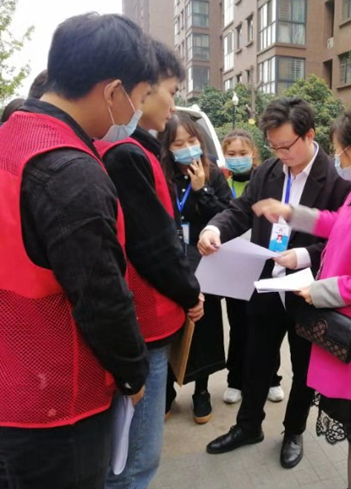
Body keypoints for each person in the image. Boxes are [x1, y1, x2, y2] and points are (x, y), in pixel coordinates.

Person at [0, 13, 158, 489]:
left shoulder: (3, 143)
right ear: (113, 92)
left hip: (8, 384)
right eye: (139, 96)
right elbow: (101, 297)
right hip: (59, 404)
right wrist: (133, 374)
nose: (136, 111)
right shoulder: (71, 171)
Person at [253, 109, 351, 489]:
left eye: (338, 150)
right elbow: (335, 222)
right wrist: (290, 212)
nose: (335, 157)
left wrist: (319, 291)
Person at [200, 98, 351, 469]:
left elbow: (344, 238)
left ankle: (293, 431)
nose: (281, 154)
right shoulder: (268, 171)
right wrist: (214, 229)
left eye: (287, 146)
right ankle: (248, 426)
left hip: (309, 290)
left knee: (304, 367)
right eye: (274, 146)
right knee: (257, 359)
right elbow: (240, 211)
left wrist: (304, 256)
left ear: (310, 135)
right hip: (267, 283)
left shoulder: (337, 179)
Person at [94, 41, 205, 488]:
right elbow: (154, 245)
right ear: (142, 88)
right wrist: (190, 292)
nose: (173, 105)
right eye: (170, 92)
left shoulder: (132, 148)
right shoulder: (126, 153)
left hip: (142, 318)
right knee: (136, 459)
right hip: (146, 321)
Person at [159, 113, 232, 422]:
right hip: (171, 264)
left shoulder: (213, 173)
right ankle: (166, 391)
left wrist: (202, 190)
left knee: (205, 328)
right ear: (167, 147)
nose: (187, 148)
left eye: (192, 141)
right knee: (169, 328)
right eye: (178, 144)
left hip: (205, 264)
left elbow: (228, 215)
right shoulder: (160, 174)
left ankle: (201, 391)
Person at [221, 129, 285, 405]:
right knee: (238, 326)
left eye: (242, 153)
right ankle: (235, 380)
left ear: (254, 154)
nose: (237, 158)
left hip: (264, 263)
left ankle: (272, 379)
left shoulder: (267, 181)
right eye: (231, 154)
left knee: (268, 325)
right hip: (233, 266)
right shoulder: (221, 183)